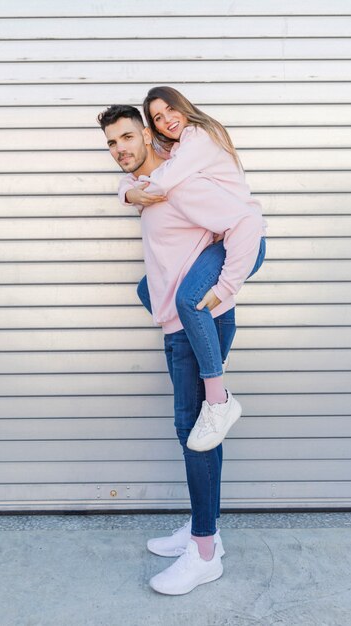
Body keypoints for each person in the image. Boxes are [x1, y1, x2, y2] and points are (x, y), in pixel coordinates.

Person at [98, 101, 265, 595]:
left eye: (127, 137)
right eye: (111, 143)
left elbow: (247, 224)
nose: (119, 149)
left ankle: (205, 550)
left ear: (148, 137)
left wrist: (227, 287)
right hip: (177, 324)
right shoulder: (147, 191)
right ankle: (200, 526)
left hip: (202, 320)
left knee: (197, 433)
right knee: (189, 429)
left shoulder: (182, 185)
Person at [119, 86, 266, 453]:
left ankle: (219, 401)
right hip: (223, 240)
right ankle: (211, 349)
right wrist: (126, 191)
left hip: (243, 242)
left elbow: (164, 180)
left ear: (184, 108)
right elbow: (147, 169)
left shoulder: (199, 136)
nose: (167, 118)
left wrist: (135, 193)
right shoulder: (178, 147)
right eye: (157, 117)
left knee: (189, 299)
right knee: (148, 288)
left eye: (170, 109)